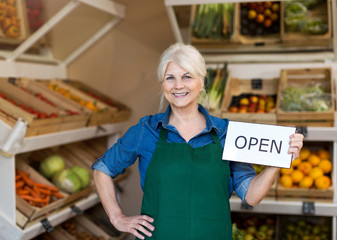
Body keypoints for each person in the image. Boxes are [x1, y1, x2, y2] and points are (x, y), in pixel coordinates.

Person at [92, 43, 304, 240]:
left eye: (187, 76)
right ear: (162, 83)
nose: (178, 86)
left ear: (201, 80)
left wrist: (276, 162)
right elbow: (102, 169)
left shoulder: (226, 132)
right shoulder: (146, 130)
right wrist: (117, 217)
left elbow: (251, 196)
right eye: (170, 78)